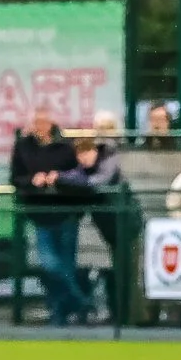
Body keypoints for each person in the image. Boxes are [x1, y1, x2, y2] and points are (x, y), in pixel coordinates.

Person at [12, 104, 89, 325]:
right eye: (37, 122)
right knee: (50, 265)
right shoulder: (23, 147)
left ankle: (59, 313)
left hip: (66, 213)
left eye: (44, 122)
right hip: (39, 213)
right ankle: (81, 301)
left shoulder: (66, 146)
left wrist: (59, 177)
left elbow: (79, 176)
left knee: (67, 265)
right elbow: (16, 178)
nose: (41, 127)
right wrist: (32, 180)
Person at [56, 121, 127, 321]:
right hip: (102, 229)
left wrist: (62, 179)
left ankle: (125, 317)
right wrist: (58, 177)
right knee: (99, 272)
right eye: (80, 155)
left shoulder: (109, 160)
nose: (84, 158)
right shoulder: (83, 170)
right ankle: (99, 312)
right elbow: (76, 177)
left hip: (125, 226)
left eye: (87, 152)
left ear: (95, 150)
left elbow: (97, 183)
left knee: (124, 274)